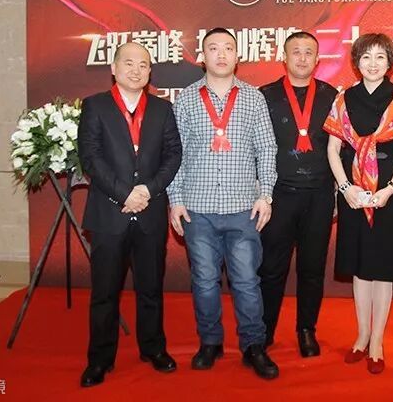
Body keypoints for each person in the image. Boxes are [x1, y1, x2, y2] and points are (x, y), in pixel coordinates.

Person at [167, 27, 280, 380]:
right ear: (202, 57)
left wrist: (266, 195)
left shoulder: (253, 98)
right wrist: (175, 199)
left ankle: (253, 345)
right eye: (213, 48)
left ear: (237, 56)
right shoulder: (186, 99)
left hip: (243, 208)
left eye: (228, 48)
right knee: (204, 281)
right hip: (197, 209)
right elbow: (175, 155)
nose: (220, 54)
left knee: (246, 281)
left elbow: (267, 149)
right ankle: (210, 342)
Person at [77, 41, 183, 387]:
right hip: (110, 214)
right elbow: (91, 157)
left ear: (150, 72)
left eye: (143, 65)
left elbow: (173, 155)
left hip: (150, 214)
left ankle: (153, 348)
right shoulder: (95, 106)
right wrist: (125, 194)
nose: (136, 70)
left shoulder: (163, 109)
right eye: (129, 63)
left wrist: (147, 191)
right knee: (105, 292)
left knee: (151, 288)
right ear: (114, 68)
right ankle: (99, 359)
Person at [323, 33, 393, 374]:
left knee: (381, 267)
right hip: (353, 187)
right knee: (359, 266)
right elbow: (333, 150)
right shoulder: (344, 98)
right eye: (366, 57)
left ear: (390, 62)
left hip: (387, 189)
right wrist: (345, 188)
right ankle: (362, 334)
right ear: (356, 62)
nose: (373, 63)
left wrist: (392, 189)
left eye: (381, 57)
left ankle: (377, 339)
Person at [259, 31, 338, 357]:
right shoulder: (265, 96)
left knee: (312, 268)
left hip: (319, 195)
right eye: (296, 52)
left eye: (308, 52)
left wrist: (339, 191)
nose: (302, 58)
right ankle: (263, 330)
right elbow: (254, 148)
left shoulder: (332, 96)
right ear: (284, 57)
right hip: (277, 196)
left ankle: (307, 329)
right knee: (271, 268)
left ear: (317, 59)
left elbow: (341, 149)